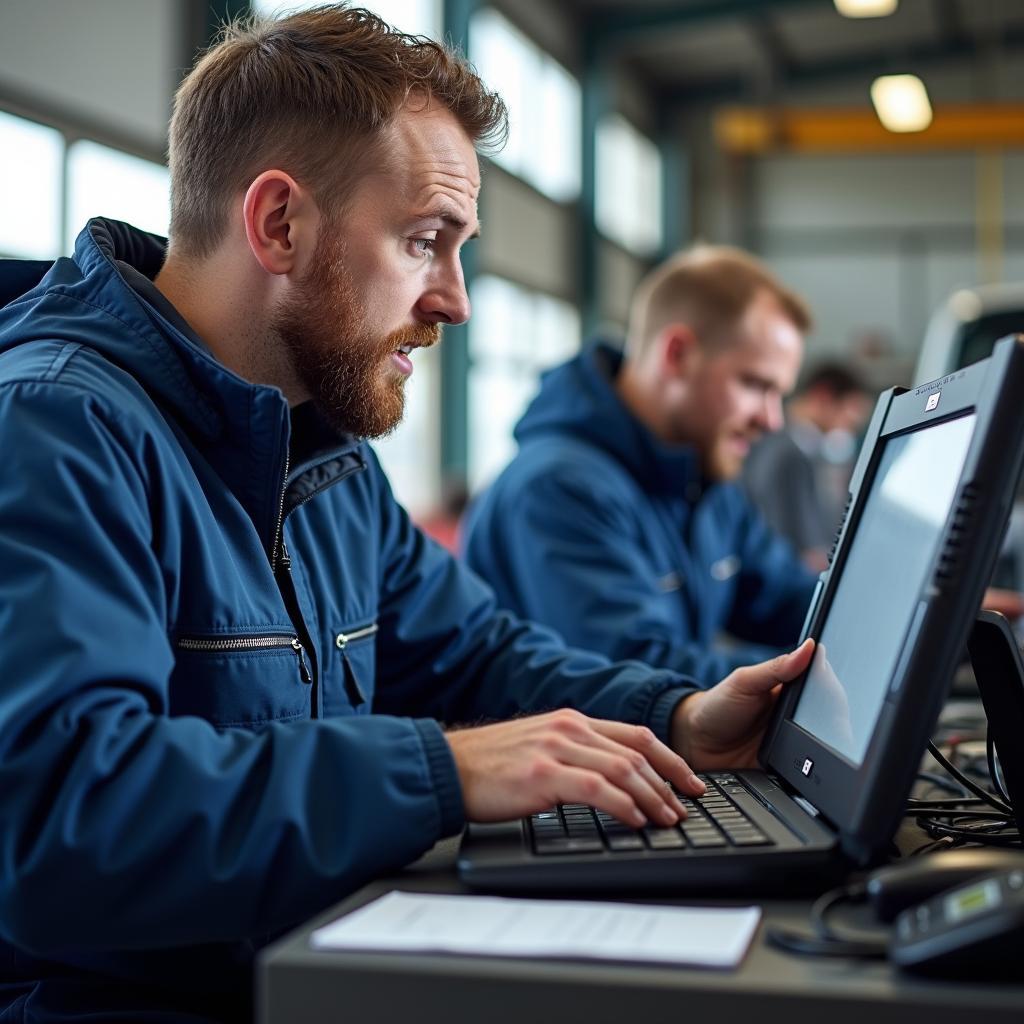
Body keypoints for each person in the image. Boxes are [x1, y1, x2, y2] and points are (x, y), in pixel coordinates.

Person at [0, 8, 815, 1023]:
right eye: (425, 241)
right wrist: (440, 766)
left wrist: (679, 717)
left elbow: (476, 654)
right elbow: (61, 816)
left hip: (306, 964)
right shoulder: (55, 427)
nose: (455, 301)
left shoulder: (322, 452)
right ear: (279, 224)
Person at [463, 246, 820, 686]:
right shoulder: (559, 489)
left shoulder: (707, 480)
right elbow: (638, 677)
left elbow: (787, 598)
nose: (772, 419)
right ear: (677, 354)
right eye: (754, 384)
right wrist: (821, 675)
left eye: (780, 393)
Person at [743, 362, 871, 572]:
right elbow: (789, 543)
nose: (850, 427)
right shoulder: (784, 454)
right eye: (849, 416)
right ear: (823, 397)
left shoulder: (803, 452)